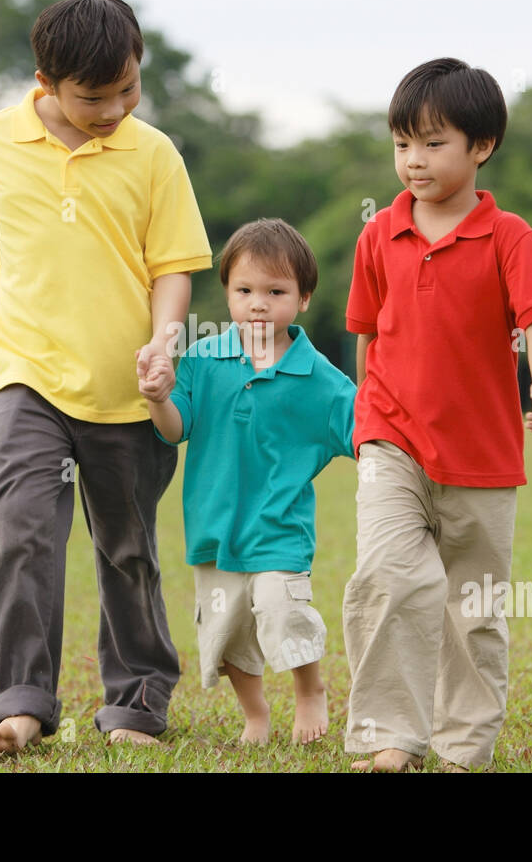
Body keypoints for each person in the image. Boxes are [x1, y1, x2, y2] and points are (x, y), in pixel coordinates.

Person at [0, 0, 213, 753]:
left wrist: (166, 341)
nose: (114, 109)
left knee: (126, 547)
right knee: (21, 526)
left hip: (130, 385)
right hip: (26, 367)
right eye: (94, 97)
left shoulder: (154, 152)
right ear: (45, 80)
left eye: (128, 89)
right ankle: (23, 700)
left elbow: (173, 267)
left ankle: (136, 700)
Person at [342, 58, 532, 772]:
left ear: (482, 146)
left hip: (481, 453)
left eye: (433, 143)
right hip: (392, 438)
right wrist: (364, 419)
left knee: (471, 611)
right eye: (402, 142)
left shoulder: (511, 238)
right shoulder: (378, 235)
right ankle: (387, 734)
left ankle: (462, 747)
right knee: (387, 574)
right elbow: (367, 335)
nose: (413, 159)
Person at [140, 219, 356, 744]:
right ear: (228, 293)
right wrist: (156, 398)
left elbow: (364, 434)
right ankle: (255, 714)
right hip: (214, 531)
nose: (258, 304)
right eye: (244, 291)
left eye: (275, 292)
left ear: (303, 298)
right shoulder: (201, 361)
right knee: (229, 631)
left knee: (284, 612)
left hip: (280, 530)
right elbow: (175, 431)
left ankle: (310, 690)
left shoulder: (321, 378)